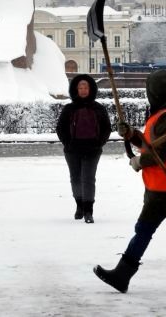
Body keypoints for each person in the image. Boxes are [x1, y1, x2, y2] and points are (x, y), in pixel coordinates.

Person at [93, 70, 166, 293]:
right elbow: (152, 144)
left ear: (154, 92)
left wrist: (140, 161)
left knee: (145, 229)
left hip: (165, 186)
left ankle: (122, 274)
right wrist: (132, 134)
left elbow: (163, 153)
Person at [56, 74, 112, 223]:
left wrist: (99, 143)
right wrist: (68, 143)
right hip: (72, 150)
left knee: (88, 179)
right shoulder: (69, 108)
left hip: (92, 150)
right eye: (80, 87)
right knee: (75, 178)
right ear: (75, 89)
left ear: (90, 89)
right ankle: (79, 205)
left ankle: (88, 210)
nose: (83, 90)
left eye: (85, 87)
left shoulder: (98, 108)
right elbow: (60, 128)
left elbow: (106, 128)